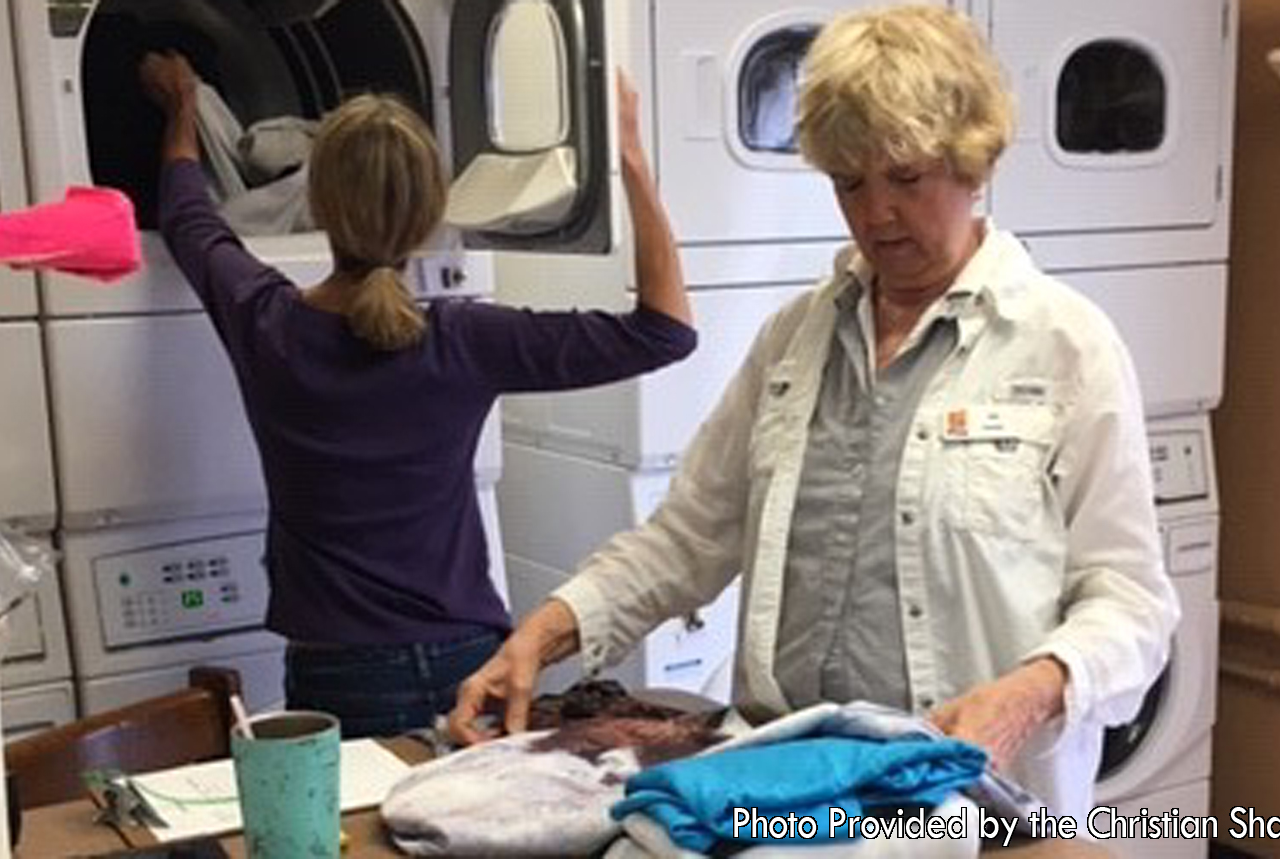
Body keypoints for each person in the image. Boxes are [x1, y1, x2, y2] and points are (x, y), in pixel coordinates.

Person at [449, 4, 1178, 820]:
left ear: (976, 165)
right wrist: (545, 631)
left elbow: (1133, 603)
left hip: (969, 802)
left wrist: (1033, 691)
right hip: (787, 793)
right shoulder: (794, 342)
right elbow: (689, 535)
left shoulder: (1064, 345)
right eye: (849, 182)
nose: (875, 214)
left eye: (905, 177)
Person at [137, 52, 696, 739]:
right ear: (431, 212)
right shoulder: (466, 337)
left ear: (317, 206)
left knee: (357, 842)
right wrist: (633, 164)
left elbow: (188, 212)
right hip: (475, 661)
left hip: (340, 672)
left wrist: (183, 109)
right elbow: (666, 332)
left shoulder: (266, 322)